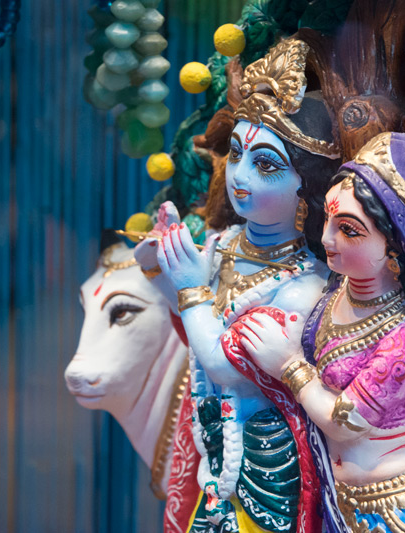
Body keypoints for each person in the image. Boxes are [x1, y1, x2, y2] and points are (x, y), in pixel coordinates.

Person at [234, 132, 405, 532]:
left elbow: (343, 421)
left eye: (349, 230)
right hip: (345, 506)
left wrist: (289, 365)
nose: (326, 238)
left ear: (395, 244)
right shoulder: (337, 290)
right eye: (327, 218)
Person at [142, 38, 341, 532]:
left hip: (267, 468)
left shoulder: (306, 286)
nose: (240, 176)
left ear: (307, 186)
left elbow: (224, 365)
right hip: (210, 452)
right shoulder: (225, 243)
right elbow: (190, 321)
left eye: (266, 164)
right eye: (236, 154)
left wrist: (188, 286)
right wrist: (158, 265)